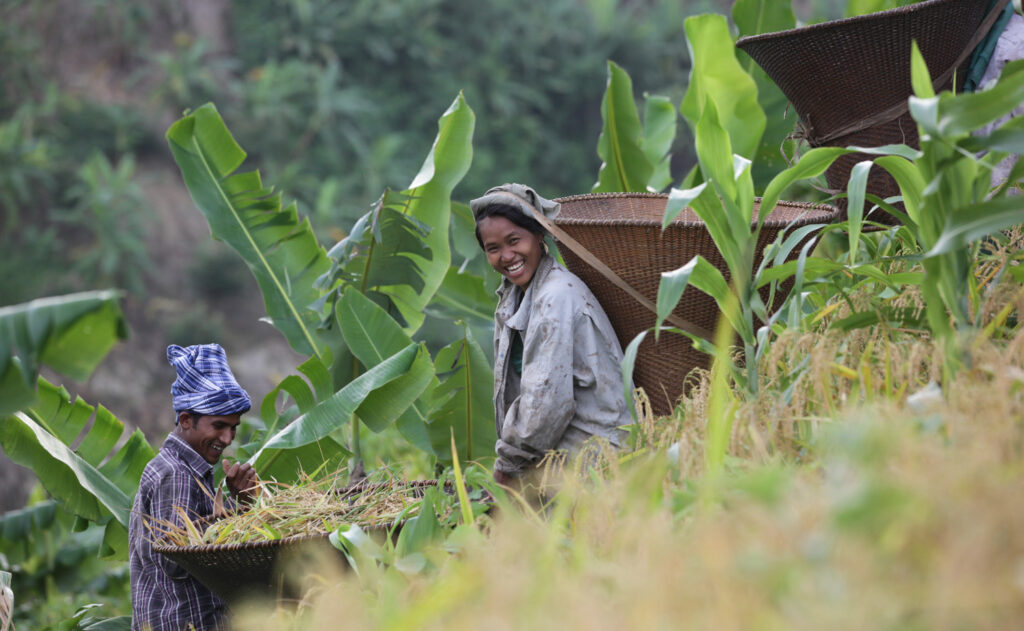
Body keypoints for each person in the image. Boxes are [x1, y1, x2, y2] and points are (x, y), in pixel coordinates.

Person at [470, 183, 632, 495]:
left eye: (514, 240)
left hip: (595, 463)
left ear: (538, 235)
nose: (507, 256)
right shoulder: (513, 295)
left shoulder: (555, 297)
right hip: (557, 457)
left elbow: (546, 402)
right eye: (493, 248)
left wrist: (509, 467)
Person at [129, 343, 258, 631]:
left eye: (234, 428)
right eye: (219, 426)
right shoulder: (176, 474)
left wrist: (243, 505)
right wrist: (241, 512)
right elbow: (182, 559)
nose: (227, 438)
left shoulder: (190, 470)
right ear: (186, 420)